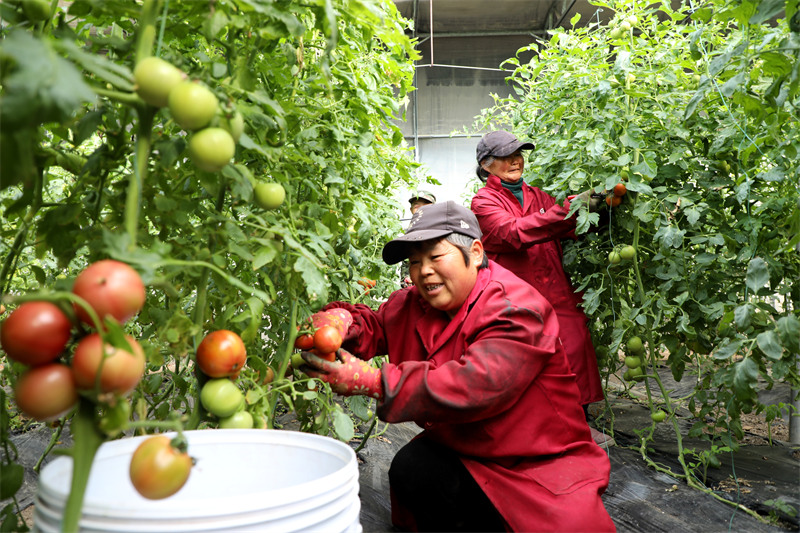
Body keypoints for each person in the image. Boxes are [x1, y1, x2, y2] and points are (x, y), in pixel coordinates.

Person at [300, 201, 615, 532]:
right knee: (413, 471)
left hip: (537, 459)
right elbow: (379, 325)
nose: (424, 271)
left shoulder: (516, 308)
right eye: (415, 262)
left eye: (436, 257)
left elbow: (475, 383)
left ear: (475, 253)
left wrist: (373, 381)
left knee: (567, 524)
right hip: (465, 444)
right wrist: (343, 321)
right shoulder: (415, 303)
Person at [469, 130, 611, 445]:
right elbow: (512, 233)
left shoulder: (540, 196)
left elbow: (569, 227)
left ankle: (579, 425)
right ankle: (533, 429)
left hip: (556, 289)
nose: (515, 161)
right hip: (515, 294)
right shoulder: (483, 202)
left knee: (574, 350)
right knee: (527, 360)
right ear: (486, 164)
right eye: (506, 156)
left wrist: (601, 207)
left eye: (518, 154)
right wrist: (570, 208)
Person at [401, 190, 436, 287]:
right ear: (411, 209)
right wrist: (405, 278)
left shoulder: (440, 228)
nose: (421, 209)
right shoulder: (409, 232)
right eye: (417, 206)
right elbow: (406, 260)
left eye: (425, 206)